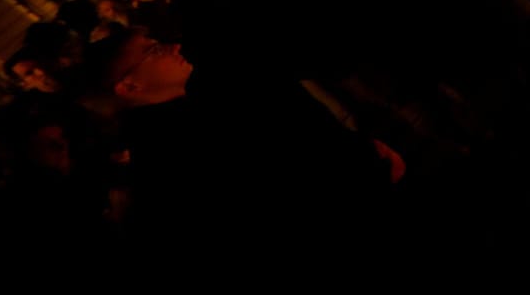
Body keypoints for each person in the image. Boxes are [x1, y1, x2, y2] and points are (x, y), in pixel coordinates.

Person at [87, 27, 402, 289]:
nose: (173, 46)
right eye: (153, 50)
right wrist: (367, 172)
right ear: (130, 85)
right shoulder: (172, 152)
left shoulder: (199, 104)